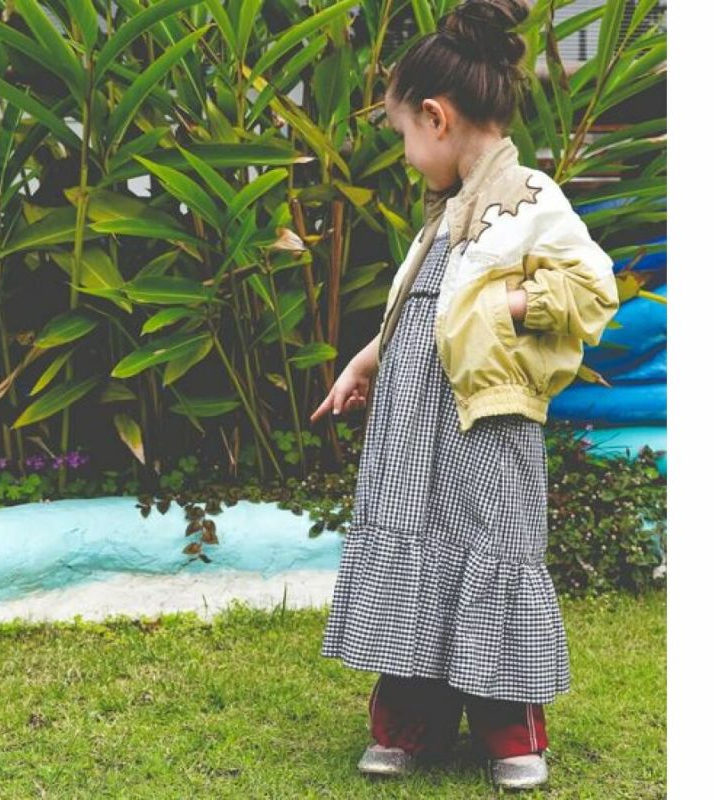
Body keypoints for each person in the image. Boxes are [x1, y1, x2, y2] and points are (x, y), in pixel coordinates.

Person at [310, 0, 620, 791]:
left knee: (490, 541)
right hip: (411, 419)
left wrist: (508, 306)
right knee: (413, 540)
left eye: (403, 135)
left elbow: (594, 288)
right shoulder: (444, 216)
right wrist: (365, 362)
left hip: (483, 422)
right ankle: (408, 723)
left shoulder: (531, 199)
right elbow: (419, 309)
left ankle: (508, 729)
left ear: (436, 118)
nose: (406, 153)